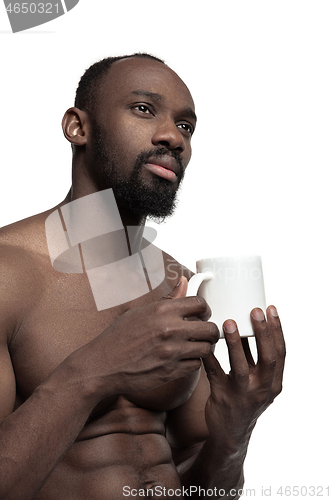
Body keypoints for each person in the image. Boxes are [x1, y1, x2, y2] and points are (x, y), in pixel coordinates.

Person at [0, 53, 286, 500]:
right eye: (143, 109)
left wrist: (234, 432)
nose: (173, 137)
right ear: (79, 127)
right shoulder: (8, 274)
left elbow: (204, 491)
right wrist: (94, 369)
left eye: (186, 126)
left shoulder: (179, 285)